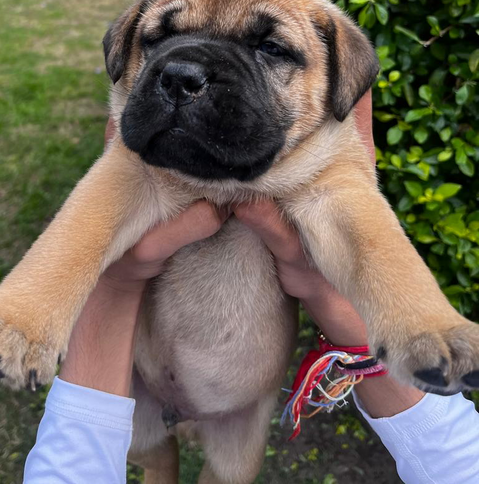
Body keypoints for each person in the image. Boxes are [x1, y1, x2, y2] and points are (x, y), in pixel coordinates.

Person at [24, 92, 479, 483]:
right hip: (141, 374)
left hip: (235, 401)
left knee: (233, 471)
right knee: (147, 451)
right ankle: (159, 467)